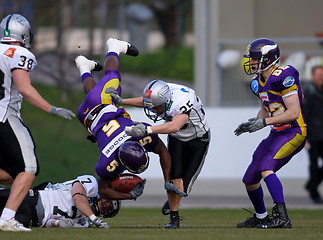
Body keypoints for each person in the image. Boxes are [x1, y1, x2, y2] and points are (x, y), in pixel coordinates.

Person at [75, 38, 185, 205]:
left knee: (106, 82)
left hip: (100, 105)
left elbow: (102, 189)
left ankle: (86, 65)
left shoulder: (109, 163)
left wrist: (166, 181)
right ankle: (112, 47)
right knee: (111, 75)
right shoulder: (108, 162)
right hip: (86, 117)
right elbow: (163, 151)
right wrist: (131, 195)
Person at [0, 14, 75, 232]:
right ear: (22, 34)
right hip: (6, 117)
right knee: (29, 168)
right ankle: (6, 218)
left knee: (15, 173)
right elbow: (24, 88)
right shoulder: (19, 53)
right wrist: (52, 109)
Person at [107, 79, 210, 228]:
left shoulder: (182, 100)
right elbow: (146, 101)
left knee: (183, 190)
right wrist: (122, 100)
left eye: (156, 107)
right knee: (174, 180)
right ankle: (174, 218)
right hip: (177, 139)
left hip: (199, 139)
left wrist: (147, 129)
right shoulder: (163, 95)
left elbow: (175, 125)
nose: (154, 111)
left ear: (167, 101)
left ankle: (173, 201)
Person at [234, 38, 307, 229]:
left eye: (255, 58)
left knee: (267, 166)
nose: (251, 62)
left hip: (294, 131)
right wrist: (254, 122)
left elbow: (293, 113)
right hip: (277, 132)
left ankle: (282, 217)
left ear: (268, 58)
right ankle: (261, 216)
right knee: (249, 178)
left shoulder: (284, 75)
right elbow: (266, 109)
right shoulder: (257, 82)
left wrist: (264, 122)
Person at [0, 175, 119, 228]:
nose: (107, 205)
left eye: (109, 208)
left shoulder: (85, 223)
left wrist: (57, 224)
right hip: (33, 198)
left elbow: (48, 222)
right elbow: (78, 196)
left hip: (33, 218)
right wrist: (94, 218)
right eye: (109, 202)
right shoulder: (91, 184)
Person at [303, 65, 323, 204]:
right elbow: (303, 116)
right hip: (312, 135)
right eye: (318, 75)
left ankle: (311, 185)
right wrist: (304, 137)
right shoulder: (308, 93)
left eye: (322, 75)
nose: (321, 77)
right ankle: (314, 192)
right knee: (314, 164)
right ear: (312, 76)